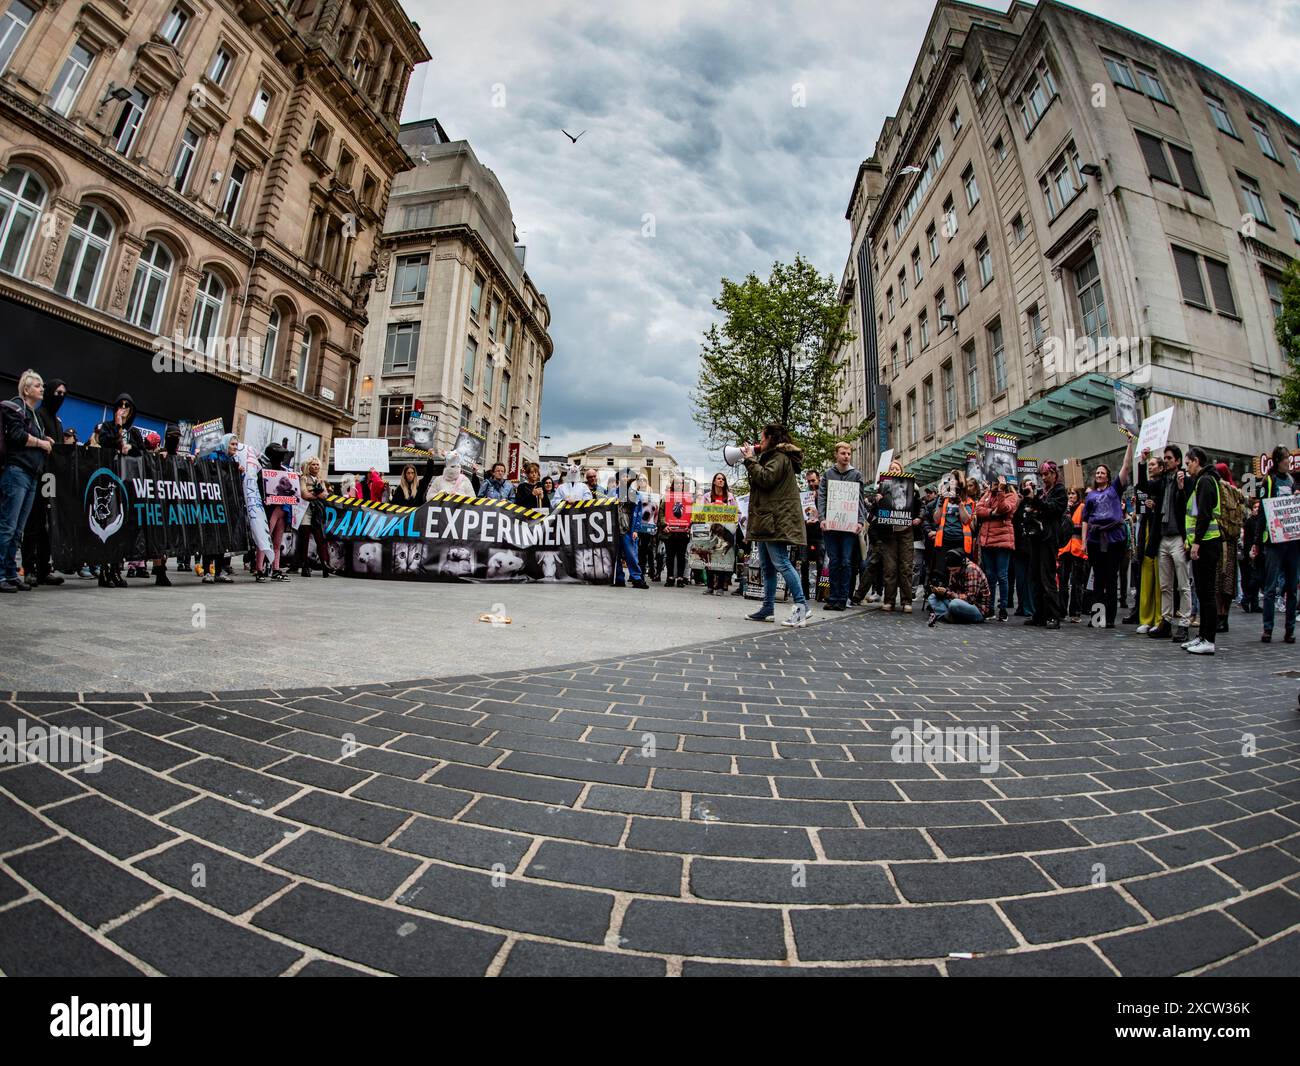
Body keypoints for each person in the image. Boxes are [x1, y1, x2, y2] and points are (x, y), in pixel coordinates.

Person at [741, 425, 808, 627]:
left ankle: (802, 607)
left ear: (771, 438)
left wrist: (749, 459)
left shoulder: (779, 457)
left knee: (781, 563)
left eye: (762, 438)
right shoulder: (775, 457)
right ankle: (767, 608)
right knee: (767, 566)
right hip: (767, 520)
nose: (760, 442)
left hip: (775, 521)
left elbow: (765, 478)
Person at [0, 370, 53, 593]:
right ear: (26, 389)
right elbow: (17, 435)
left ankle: (10, 572)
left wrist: (43, 439)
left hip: (31, 474)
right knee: (8, 526)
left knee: (18, 528)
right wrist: (41, 443)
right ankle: (1, 573)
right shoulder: (15, 407)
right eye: (38, 385)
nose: (42, 389)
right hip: (17, 472)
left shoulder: (34, 415)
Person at [1081, 433, 1134, 628]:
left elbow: (1126, 467)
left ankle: (1110, 618)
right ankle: (1097, 618)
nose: (1099, 475)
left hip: (1113, 540)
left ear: (1108, 476)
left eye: (1103, 473)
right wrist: (1084, 541)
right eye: (1097, 473)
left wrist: (1129, 444)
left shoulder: (1115, 489)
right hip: (1095, 541)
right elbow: (1085, 520)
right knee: (1097, 580)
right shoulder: (1091, 496)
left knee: (1111, 579)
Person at [18, 377, 66, 587]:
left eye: (64, 394)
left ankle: (44, 568)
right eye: (58, 393)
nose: (61, 397)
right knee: (33, 522)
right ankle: (29, 568)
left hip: (51, 478)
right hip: (37, 473)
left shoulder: (57, 421)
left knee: (48, 522)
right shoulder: (38, 416)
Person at [1142, 444, 1191, 642]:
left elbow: (1189, 505)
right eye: (1165, 458)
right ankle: (1166, 621)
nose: (1167, 461)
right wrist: (1143, 462)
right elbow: (1144, 486)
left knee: (1183, 583)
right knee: (1165, 584)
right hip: (1163, 537)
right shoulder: (1162, 481)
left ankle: (1185, 622)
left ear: (1178, 461)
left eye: (1169, 458)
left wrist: (1181, 488)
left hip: (1178, 536)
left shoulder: (1185, 480)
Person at [816, 443, 867, 612]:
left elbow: (860, 499)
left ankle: (842, 598)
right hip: (831, 525)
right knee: (834, 561)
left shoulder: (856, 475)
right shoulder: (828, 474)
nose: (846, 456)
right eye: (843, 453)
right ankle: (833, 597)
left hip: (848, 526)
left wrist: (860, 520)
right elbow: (822, 497)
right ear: (836, 455)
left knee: (846, 561)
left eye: (849, 453)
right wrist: (822, 518)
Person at [1183, 447, 1222, 654]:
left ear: (1196, 461)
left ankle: (1209, 639)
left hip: (1207, 543)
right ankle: (1202, 636)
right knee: (1202, 590)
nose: (1187, 467)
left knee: (1206, 593)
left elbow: (1204, 515)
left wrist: (1196, 542)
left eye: (1188, 463)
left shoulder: (1205, 481)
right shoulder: (1202, 481)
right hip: (1204, 543)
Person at [1021, 460, 1067, 628]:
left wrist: (1036, 501)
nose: (1044, 477)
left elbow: (1052, 508)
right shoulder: (1043, 491)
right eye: (1042, 475)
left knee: (1047, 577)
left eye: (1046, 474)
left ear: (1054, 474)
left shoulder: (1060, 491)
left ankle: (1053, 616)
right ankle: (1039, 614)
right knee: (1035, 577)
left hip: (1049, 538)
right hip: (1037, 537)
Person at [1259, 444, 1297, 644]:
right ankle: (1268, 628)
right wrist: (1258, 541)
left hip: (1291, 541)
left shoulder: (1291, 481)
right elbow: (1262, 513)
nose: (1288, 463)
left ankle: (1289, 629)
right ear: (1277, 461)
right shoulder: (1270, 481)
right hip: (1274, 541)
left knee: (1291, 586)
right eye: (1285, 460)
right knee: (1271, 587)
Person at [875, 461, 922, 613]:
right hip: (889, 532)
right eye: (891, 469)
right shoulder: (882, 488)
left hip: (906, 531)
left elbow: (920, 507)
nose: (894, 471)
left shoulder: (912, 488)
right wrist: (877, 500)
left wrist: (919, 518)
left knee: (906, 567)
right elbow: (876, 511)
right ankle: (889, 600)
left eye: (897, 468)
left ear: (902, 471)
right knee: (890, 567)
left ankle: (906, 601)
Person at [975, 474, 1019, 621]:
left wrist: (1000, 492)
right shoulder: (987, 495)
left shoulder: (1011, 496)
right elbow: (978, 510)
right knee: (990, 576)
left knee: (1002, 575)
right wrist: (991, 513)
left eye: (996, 482)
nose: (993, 483)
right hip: (987, 541)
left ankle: (1003, 608)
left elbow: (1004, 509)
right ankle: (990, 608)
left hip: (1002, 541)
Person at [197, 433, 238, 584]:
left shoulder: (233, 461)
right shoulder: (212, 457)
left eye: (236, 445)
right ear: (225, 444)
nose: (235, 447)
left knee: (224, 538)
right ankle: (207, 571)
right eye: (232, 444)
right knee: (210, 537)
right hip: (212, 505)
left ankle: (219, 571)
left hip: (227, 507)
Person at [1133, 454, 1164, 633]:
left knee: (1160, 580)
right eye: (1149, 465)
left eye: (1153, 464)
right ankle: (1146, 617)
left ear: (1161, 468)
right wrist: (1142, 463)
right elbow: (1142, 487)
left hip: (1158, 533)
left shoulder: (1164, 483)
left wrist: (1156, 505)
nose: (1151, 467)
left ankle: (1159, 617)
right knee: (1146, 576)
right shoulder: (1149, 485)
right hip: (1147, 530)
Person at [1213, 462, 1244, 635]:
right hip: (1231, 540)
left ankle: (1220, 616)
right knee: (1228, 582)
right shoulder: (1235, 491)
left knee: (1219, 580)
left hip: (1219, 540)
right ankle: (1224, 616)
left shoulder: (1220, 490)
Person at [259, 441, 295, 581]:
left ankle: (275, 568)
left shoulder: (284, 471)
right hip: (271, 508)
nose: (281, 457)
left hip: (281, 508)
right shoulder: (264, 470)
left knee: (277, 541)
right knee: (264, 540)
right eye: (279, 455)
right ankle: (259, 569)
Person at [926, 549, 991, 625]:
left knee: (954, 604)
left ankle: (948, 616)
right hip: (959, 601)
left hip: (977, 608)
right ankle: (949, 617)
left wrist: (947, 593)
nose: (952, 573)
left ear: (962, 565)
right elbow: (951, 589)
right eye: (950, 570)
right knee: (932, 597)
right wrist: (940, 591)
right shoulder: (954, 570)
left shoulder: (971, 570)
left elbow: (970, 599)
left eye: (954, 570)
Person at [295, 456, 332, 577]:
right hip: (305, 510)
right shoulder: (304, 478)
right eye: (313, 464)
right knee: (304, 540)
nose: (315, 466)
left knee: (320, 538)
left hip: (317, 511)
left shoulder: (320, 480)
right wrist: (317, 493)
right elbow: (304, 494)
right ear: (308, 466)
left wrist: (315, 493)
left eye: (317, 464)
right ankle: (305, 565)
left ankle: (324, 564)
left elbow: (325, 495)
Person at [701, 472, 737, 595]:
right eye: (718, 478)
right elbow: (701, 512)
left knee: (722, 557)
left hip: (725, 530)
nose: (721, 481)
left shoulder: (730, 497)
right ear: (714, 481)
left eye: (723, 479)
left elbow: (736, 513)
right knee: (709, 556)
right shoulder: (707, 496)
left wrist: (726, 508)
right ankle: (710, 586)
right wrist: (710, 507)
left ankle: (720, 587)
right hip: (710, 530)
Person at [614, 468, 649, 590]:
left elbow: (638, 513)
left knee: (631, 554)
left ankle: (636, 578)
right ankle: (618, 578)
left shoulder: (634, 494)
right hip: (614, 527)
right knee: (615, 554)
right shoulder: (613, 493)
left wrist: (635, 530)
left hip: (628, 526)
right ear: (619, 479)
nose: (625, 478)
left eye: (627, 476)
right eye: (622, 476)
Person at [1011, 476, 1037, 618]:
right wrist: (1019, 501)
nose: (1028, 489)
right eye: (1025, 486)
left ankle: (1029, 607)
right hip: (1018, 545)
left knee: (1029, 579)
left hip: (1031, 546)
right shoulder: (1019, 503)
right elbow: (1011, 518)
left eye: (1030, 486)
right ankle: (1021, 605)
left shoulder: (1037, 502)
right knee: (1020, 579)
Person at [661, 472, 691, 587]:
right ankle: (670, 577)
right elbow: (662, 513)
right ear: (673, 484)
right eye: (677, 483)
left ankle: (680, 577)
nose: (679, 485)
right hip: (670, 532)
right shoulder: (667, 497)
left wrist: (689, 525)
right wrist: (664, 525)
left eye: (681, 483)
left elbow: (689, 513)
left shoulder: (687, 498)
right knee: (669, 555)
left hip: (683, 532)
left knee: (681, 555)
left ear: (683, 485)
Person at [800, 469, 822, 601]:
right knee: (803, 563)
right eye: (809, 481)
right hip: (806, 533)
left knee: (820, 563)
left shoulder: (823, 494)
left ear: (818, 479)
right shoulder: (804, 495)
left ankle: (819, 594)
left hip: (820, 534)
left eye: (813, 480)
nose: (811, 483)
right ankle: (805, 593)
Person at [1241, 496, 1265, 613]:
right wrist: (1249, 553)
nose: (1256, 509)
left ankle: (1253, 603)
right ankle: (1247, 599)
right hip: (1252, 554)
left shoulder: (1260, 520)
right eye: (1255, 507)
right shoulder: (1250, 522)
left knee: (1257, 579)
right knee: (1255, 578)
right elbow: (1247, 540)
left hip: (1259, 553)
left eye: (1258, 507)